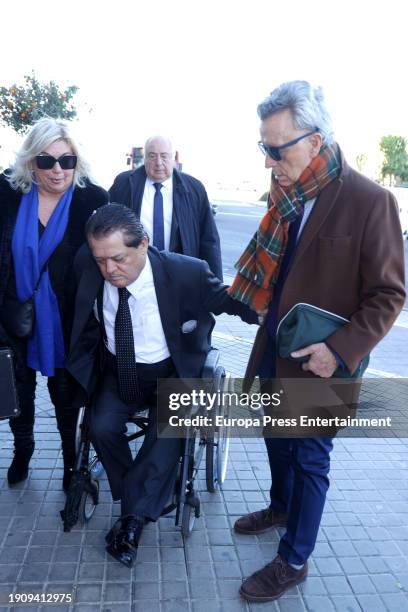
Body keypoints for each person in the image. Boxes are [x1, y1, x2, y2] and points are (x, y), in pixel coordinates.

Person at [227, 80, 406, 602]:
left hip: (322, 365)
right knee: (275, 439)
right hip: (273, 354)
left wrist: (340, 350)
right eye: (263, 147)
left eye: (275, 149)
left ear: (315, 140)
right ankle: (280, 506)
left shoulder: (369, 201)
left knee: (310, 460)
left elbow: (388, 294)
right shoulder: (287, 193)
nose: (268, 161)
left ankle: (295, 558)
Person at [65, 203, 257, 568]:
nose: (108, 269)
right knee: (100, 426)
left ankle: (133, 520)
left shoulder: (186, 272)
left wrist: (267, 309)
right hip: (119, 369)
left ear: (143, 244)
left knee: (168, 430)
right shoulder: (88, 265)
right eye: (100, 259)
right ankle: (137, 492)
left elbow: (229, 300)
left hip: (173, 372)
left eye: (118, 258)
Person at [0, 117, 108, 491]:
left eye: (67, 160)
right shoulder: (7, 195)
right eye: (46, 161)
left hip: (69, 320)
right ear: (31, 162)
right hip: (13, 314)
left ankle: (69, 460)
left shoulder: (92, 200)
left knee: (65, 395)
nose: (58, 169)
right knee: (17, 391)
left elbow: (115, 258)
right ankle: (22, 449)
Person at [108, 134, 223, 279]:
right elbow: (106, 228)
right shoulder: (124, 184)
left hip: (180, 275)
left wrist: (215, 284)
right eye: (152, 156)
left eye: (164, 156)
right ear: (145, 158)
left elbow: (209, 241)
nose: (158, 163)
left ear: (174, 158)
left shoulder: (194, 189)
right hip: (135, 274)